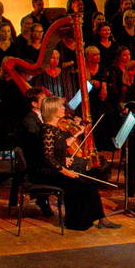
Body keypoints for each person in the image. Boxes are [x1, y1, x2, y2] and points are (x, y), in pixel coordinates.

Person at [23, 94, 108, 230]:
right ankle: (77, 222)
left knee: (89, 181)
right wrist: (66, 171)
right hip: (47, 173)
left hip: (55, 168)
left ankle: (99, 218)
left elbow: (60, 145)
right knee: (81, 183)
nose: (64, 108)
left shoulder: (54, 128)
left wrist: (75, 137)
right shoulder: (47, 130)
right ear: (53, 110)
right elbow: (48, 157)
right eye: (61, 106)